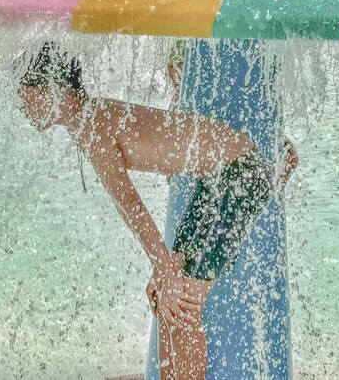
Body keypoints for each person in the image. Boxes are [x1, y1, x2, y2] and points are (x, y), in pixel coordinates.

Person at [17, 42, 298, 379]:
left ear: (53, 90)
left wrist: (165, 266)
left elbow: (130, 204)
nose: (20, 102)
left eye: (25, 91)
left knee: (183, 307)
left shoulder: (92, 124)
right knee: (167, 301)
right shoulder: (91, 118)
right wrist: (163, 268)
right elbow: (127, 207)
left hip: (239, 174)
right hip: (222, 179)